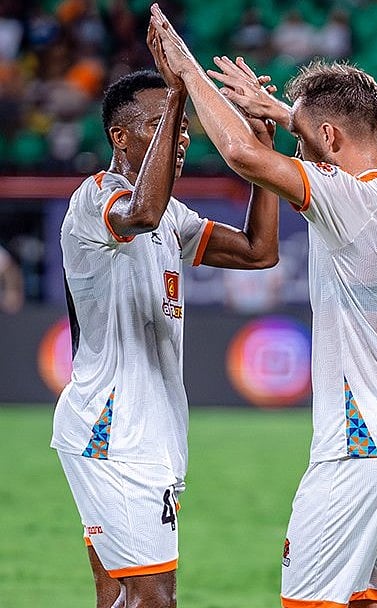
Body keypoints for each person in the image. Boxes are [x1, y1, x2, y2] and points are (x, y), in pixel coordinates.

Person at [149, 6, 377, 608]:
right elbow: (331, 143)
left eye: (306, 140)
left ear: (331, 139)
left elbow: (241, 155)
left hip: (364, 446)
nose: (299, 153)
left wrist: (188, 73)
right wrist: (287, 115)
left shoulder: (347, 200)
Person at [51, 24, 279, 608]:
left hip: (149, 428)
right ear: (119, 136)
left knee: (120, 598)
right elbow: (142, 213)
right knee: (155, 599)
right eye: (160, 126)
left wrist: (265, 156)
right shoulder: (95, 198)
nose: (178, 136)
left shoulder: (173, 215)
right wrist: (180, 89)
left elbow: (259, 251)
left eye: (179, 127)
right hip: (112, 429)